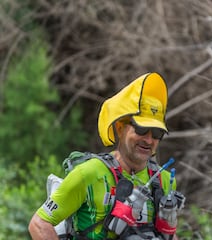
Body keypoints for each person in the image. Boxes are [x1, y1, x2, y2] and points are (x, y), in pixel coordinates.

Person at [28, 72, 183, 240]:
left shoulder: (165, 180)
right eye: (141, 130)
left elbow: (170, 234)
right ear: (120, 128)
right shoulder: (89, 174)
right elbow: (39, 224)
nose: (148, 139)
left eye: (157, 133)